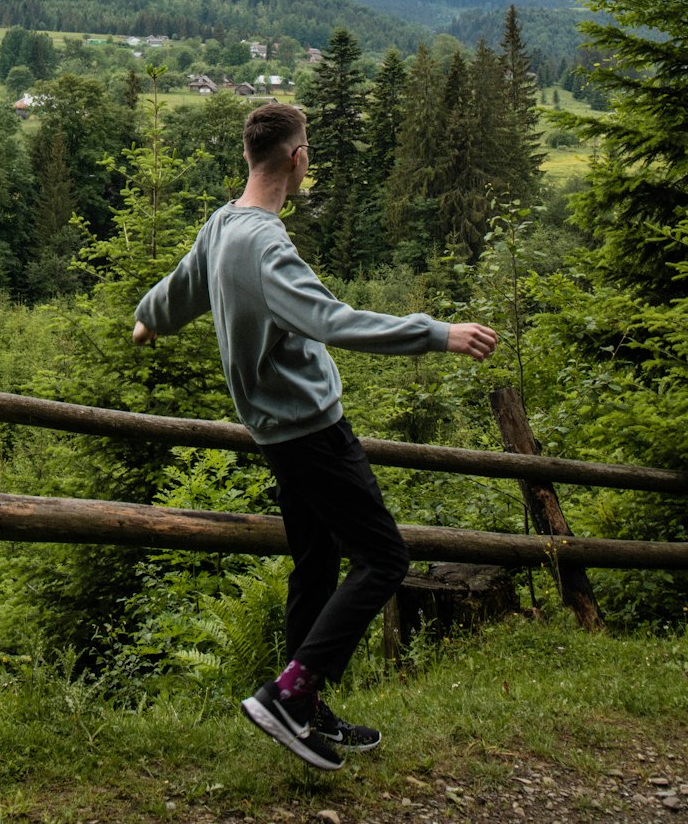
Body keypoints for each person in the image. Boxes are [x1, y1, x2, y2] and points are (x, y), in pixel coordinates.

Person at [133, 102, 498, 771]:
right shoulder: (266, 246)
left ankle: (305, 707)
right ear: (296, 159)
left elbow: (182, 288)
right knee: (384, 559)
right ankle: (288, 696)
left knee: (316, 562)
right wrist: (437, 332)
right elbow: (333, 320)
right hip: (312, 432)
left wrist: (147, 320)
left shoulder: (224, 225)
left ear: (250, 155)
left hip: (276, 432)